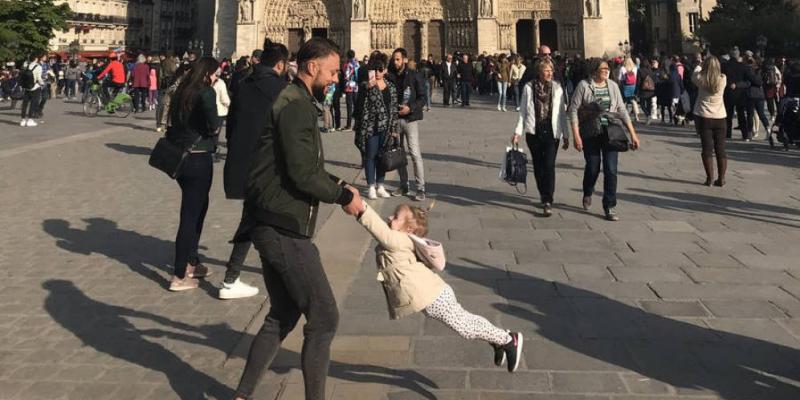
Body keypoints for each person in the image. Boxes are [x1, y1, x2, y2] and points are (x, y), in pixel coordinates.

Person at [231, 38, 363, 400]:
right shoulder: (295, 104)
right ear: (312, 66)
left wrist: (340, 185)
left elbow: (302, 164)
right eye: (332, 71)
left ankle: (241, 396)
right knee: (324, 318)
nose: (336, 78)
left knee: (283, 313)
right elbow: (302, 174)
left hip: (270, 219)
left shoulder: (295, 99)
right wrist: (342, 197)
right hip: (282, 224)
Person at [353, 200, 525, 372]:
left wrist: (360, 207)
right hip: (432, 294)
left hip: (434, 296)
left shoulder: (398, 239)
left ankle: (508, 340)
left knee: (465, 327)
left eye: (396, 217)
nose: (390, 217)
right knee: (466, 321)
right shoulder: (399, 239)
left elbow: (378, 229)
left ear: (409, 229)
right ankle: (499, 340)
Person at [221, 39, 289, 300]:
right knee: (272, 218)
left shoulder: (242, 83)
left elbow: (231, 127)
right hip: (268, 165)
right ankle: (234, 279)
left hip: (244, 163)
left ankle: (233, 277)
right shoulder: (281, 89)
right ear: (280, 65)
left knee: (254, 217)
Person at [164, 57, 222, 292]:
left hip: (182, 158)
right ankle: (179, 275)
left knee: (198, 209)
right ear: (207, 73)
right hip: (198, 159)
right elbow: (214, 125)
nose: (216, 78)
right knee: (190, 215)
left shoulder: (182, 91)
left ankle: (192, 261)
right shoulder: (206, 92)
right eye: (215, 74)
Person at [568, 59, 641, 222]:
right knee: (593, 167)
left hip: (611, 132)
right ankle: (588, 191)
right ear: (594, 70)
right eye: (603, 69)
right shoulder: (584, 86)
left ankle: (609, 205)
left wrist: (633, 134)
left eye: (608, 68)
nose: (606, 71)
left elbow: (622, 110)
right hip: (590, 132)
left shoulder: (613, 86)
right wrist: (576, 135)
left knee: (611, 169)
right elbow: (573, 110)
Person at [512, 59, 569, 217]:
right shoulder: (529, 88)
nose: (550, 73)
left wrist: (566, 135)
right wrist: (517, 132)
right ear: (539, 72)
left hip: (552, 131)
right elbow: (523, 111)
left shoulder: (557, 88)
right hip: (534, 131)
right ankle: (543, 193)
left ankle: (548, 199)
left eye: (551, 70)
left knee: (549, 165)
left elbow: (562, 114)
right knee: (538, 165)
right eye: (547, 70)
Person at [354, 52, 399, 200]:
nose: (378, 72)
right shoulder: (366, 85)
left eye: (381, 69)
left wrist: (394, 129)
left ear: (385, 70)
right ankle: (371, 186)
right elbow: (359, 105)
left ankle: (380, 185)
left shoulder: (391, 86)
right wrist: (366, 87)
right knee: (370, 156)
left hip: (386, 127)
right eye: (375, 69)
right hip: (371, 126)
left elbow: (394, 108)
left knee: (382, 156)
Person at [388, 48, 428, 201]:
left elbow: (423, 97)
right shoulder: (390, 76)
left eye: (397, 59)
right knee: (399, 154)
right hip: (396, 120)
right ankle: (404, 185)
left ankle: (420, 188)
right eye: (394, 59)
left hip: (410, 119)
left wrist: (410, 108)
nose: (395, 62)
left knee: (415, 153)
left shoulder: (414, 75)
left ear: (404, 60)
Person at [692, 55, 728, 187]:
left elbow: (695, 73)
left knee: (707, 149)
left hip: (704, 117)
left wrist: (699, 64)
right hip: (720, 117)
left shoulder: (700, 79)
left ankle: (710, 178)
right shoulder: (723, 79)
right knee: (720, 149)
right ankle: (721, 178)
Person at [722, 48, 756, 140]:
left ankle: (727, 134)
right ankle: (744, 134)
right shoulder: (743, 66)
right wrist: (738, 85)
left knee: (728, 115)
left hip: (727, 92)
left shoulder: (724, 66)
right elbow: (748, 82)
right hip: (740, 94)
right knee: (741, 115)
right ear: (738, 56)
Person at [19, 55, 43, 127]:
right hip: (35, 87)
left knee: (25, 104)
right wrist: (42, 84)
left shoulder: (26, 65)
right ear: (36, 58)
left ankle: (23, 120)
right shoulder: (38, 67)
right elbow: (39, 78)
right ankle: (30, 120)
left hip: (26, 87)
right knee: (33, 103)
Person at [636, 59, 657, 124]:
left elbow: (638, 82)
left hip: (643, 90)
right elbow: (654, 80)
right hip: (651, 90)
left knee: (642, 104)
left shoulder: (640, 70)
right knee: (648, 104)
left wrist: (637, 90)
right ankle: (648, 117)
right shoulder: (651, 71)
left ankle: (648, 115)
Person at [342, 49, 359, 130]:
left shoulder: (348, 65)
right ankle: (356, 124)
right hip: (356, 86)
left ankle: (348, 125)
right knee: (356, 106)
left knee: (349, 106)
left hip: (349, 86)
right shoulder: (357, 64)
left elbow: (347, 76)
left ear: (348, 56)